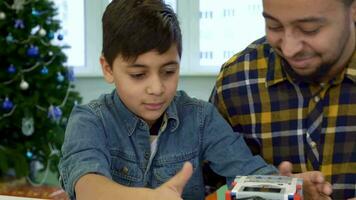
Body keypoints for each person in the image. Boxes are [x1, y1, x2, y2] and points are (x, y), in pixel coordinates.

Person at [58, 0, 332, 200]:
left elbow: (246, 174)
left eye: (169, 71)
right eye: (138, 74)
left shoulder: (200, 117)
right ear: (107, 68)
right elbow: (88, 185)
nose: (156, 88)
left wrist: (285, 186)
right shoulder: (90, 120)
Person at [210, 0, 356, 199]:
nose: (289, 49)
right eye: (274, 26)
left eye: (309, 29)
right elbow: (200, 182)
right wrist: (270, 186)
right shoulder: (236, 80)